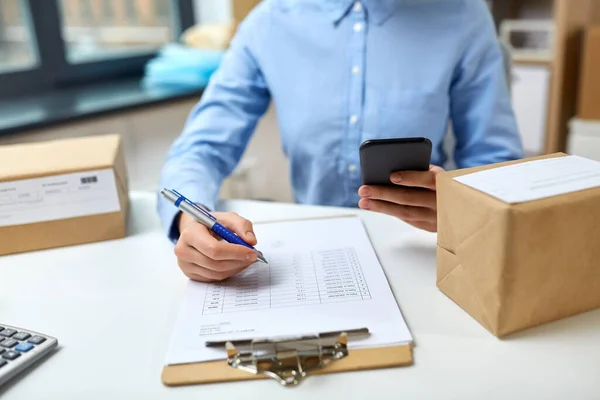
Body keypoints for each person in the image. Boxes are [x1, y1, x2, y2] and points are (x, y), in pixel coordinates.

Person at [158, 0, 524, 282]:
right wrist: (189, 221)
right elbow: (201, 148)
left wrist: (465, 208)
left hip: (428, 258)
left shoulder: (463, 15)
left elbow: (497, 160)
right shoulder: (270, 22)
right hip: (311, 257)